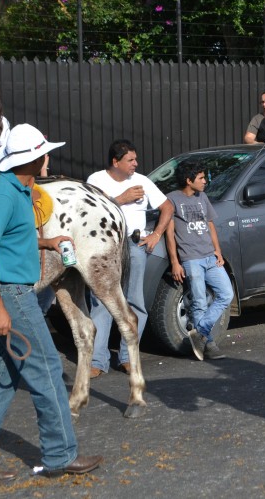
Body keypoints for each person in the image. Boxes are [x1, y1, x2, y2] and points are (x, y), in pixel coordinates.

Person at [0, 124, 102, 481]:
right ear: (33, 159)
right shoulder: (3, 194)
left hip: (8, 293)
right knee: (48, 369)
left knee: (3, 375)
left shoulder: (19, 190)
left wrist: (47, 243)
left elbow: (6, 238)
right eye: (44, 153)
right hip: (9, 294)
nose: (48, 158)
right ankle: (60, 455)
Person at [86, 140, 173, 377]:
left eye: (135, 159)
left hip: (134, 244)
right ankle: (97, 360)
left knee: (134, 302)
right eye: (130, 160)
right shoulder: (96, 180)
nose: (136, 164)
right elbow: (92, 210)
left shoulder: (142, 181)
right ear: (115, 162)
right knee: (102, 300)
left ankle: (127, 356)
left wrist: (156, 234)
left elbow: (167, 207)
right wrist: (121, 199)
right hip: (105, 246)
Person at [166, 160, 234, 361]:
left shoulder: (202, 197)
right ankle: (209, 345)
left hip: (210, 256)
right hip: (191, 259)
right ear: (189, 180)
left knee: (226, 294)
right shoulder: (172, 199)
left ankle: (201, 332)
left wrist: (217, 250)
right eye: (201, 178)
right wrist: (175, 262)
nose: (205, 181)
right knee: (199, 302)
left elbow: (210, 224)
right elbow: (169, 233)